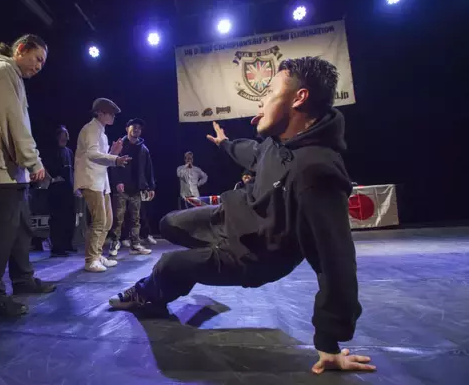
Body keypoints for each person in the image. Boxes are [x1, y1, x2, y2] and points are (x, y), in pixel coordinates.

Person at [109, 57, 376, 375]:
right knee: (169, 223)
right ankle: (197, 264)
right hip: (231, 218)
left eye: (271, 92)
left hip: (253, 254)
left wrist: (328, 342)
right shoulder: (278, 142)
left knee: (169, 264)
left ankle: (149, 294)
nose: (262, 101)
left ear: (299, 98)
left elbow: (336, 262)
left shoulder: (316, 172)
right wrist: (225, 144)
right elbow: (253, 152)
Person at [0, 34, 56, 317]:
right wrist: (33, 161)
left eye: (43, 63)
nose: (39, 67)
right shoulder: (2, 71)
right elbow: (13, 122)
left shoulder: (12, 76)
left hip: (12, 171)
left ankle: (23, 278)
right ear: (21, 49)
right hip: (1, 172)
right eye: (37, 59)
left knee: (20, 229)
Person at [74, 98, 131, 272]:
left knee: (108, 221)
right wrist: (115, 158)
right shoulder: (91, 129)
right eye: (110, 113)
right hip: (90, 180)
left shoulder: (102, 133)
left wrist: (112, 153)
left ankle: (97, 255)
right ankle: (91, 260)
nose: (113, 116)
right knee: (99, 220)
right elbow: (91, 154)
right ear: (100, 113)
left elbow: (100, 158)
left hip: (101, 181)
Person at [108, 118, 156, 256]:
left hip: (136, 188)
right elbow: (112, 164)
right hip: (121, 188)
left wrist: (151, 187)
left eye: (139, 128)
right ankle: (114, 243)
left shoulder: (143, 149)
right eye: (134, 127)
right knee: (118, 218)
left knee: (136, 218)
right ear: (127, 129)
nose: (137, 130)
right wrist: (118, 181)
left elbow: (148, 169)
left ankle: (135, 244)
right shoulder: (120, 145)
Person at [45, 125, 78, 256]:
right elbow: (44, 167)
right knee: (58, 219)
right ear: (57, 136)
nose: (65, 138)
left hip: (68, 190)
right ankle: (57, 247)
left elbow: (73, 170)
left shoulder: (69, 152)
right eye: (63, 135)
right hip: (56, 190)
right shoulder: (52, 151)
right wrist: (52, 179)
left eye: (67, 135)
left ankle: (67, 244)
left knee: (69, 217)